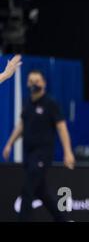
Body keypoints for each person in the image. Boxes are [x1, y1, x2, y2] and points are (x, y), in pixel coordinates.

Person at [2, 69, 75, 221]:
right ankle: (63, 220)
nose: (34, 84)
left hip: (42, 154)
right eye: (31, 81)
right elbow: (21, 126)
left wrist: (67, 152)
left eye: (37, 81)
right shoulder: (28, 103)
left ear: (44, 83)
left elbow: (62, 128)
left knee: (28, 190)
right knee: (41, 192)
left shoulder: (50, 104)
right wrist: (9, 143)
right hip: (28, 154)